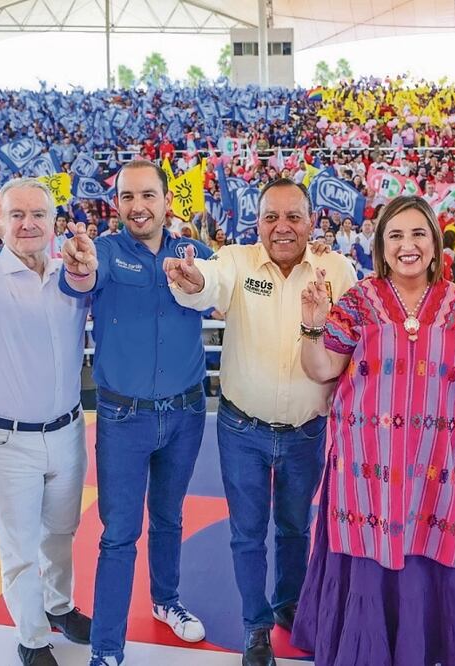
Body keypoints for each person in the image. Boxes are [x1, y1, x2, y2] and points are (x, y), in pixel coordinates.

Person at [285, 195, 455, 665]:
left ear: (436, 245)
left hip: (432, 468)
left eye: (418, 234)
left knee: (427, 547)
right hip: (365, 470)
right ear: (381, 246)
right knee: (367, 554)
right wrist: (312, 325)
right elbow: (321, 368)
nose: (408, 245)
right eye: (396, 235)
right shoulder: (360, 300)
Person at [165, 178, 357, 666]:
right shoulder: (235, 259)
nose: (282, 227)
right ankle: (256, 626)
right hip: (241, 430)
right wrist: (191, 281)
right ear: (258, 223)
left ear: (313, 222)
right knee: (247, 532)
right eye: (271, 217)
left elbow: (361, 337)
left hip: (307, 431)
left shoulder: (338, 270)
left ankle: (289, 603)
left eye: (294, 216)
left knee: (296, 527)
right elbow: (206, 282)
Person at [59, 160, 210, 666]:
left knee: (169, 518)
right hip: (123, 421)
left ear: (168, 200)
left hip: (187, 414)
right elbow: (80, 278)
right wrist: (77, 268)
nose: (137, 206)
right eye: (127, 197)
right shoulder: (99, 251)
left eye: (147, 195)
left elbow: (232, 291)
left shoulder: (194, 253)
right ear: (117, 203)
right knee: (119, 534)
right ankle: (106, 650)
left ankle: (167, 601)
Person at [0, 178, 91, 666]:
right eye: (16, 215)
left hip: (68, 432)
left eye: (38, 214)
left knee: (60, 532)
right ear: (0, 221)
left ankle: (60, 606)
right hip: (5, 441)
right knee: (20, 548)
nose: (28, 223)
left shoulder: (70, 275)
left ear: (54, 222)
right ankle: (32, 638)